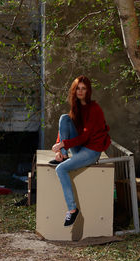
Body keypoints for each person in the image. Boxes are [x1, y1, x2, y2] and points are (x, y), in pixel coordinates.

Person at [49, 75, 111, 227]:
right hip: (80, 148)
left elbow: (85, 137)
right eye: (78, 88)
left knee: (61, 169)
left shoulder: (94, 109)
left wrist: (63, 143)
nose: (80, 91)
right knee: (64, 118)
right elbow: (65, 129)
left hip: (91, 151)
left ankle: (72, 210)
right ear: (74, 90)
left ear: (88, 91)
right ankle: (62, 155)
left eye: (83, 88)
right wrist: (60, 145)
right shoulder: (77, 107)